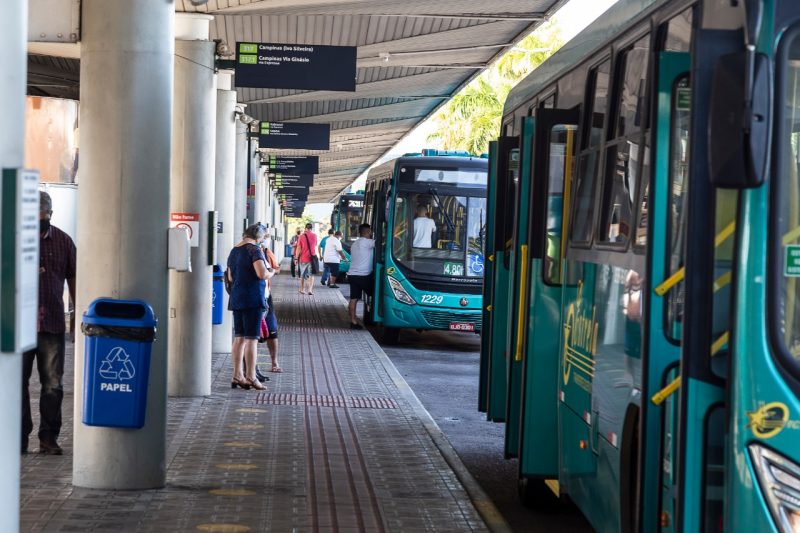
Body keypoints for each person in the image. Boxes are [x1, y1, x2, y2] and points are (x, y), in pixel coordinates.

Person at [22, 191, 76, 455]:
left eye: (40, 214)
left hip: (53, 324)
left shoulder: (64, 242)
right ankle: (18, 437)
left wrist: (77, 312)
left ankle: (48, 438)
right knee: (16, 384)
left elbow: (74, 277)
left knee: (53, 384)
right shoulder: (13, 240)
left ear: (50, 214)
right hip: (19, 326)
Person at [226, 223, 273, 391]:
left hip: (237, 298)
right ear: (258, 237)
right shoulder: (254, 250)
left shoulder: (234, 250)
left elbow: (230, 277)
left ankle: (237, 375)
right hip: (253, 299)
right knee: (252, 339)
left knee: (239, 338)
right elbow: (262, 274)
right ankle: (251, 376)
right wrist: (271, 272)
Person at [257, 244, 282, 376]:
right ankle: (251, 368)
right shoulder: (244, 252)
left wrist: (271, 271)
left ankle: (274, 362)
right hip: (254, 297)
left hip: (266, 296)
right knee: (252, 335)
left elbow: (277, 269)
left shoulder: (266, 252)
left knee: (272, 330)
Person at [347, 223, 375, 329]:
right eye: (370, 231)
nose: (371, 233)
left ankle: (353, 321)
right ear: (368, 232)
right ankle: (373, 316)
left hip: (352, 275)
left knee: (354, 298)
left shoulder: (354, 244)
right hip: (364, 276)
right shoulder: (368, 242)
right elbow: (386, 244)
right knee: (376, 294)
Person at [293, 223, 318, 295]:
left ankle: (302, 289)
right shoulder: (315, 235)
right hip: (312, 258)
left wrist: (296, 258)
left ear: (305, 228)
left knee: (302, 274)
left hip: (303, 258)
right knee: (311, 274)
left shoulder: (301, 236)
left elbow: (298, 248)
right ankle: (310, 290)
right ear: (311, 228)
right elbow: (315, 244)